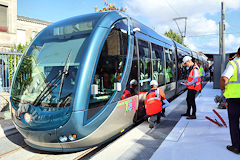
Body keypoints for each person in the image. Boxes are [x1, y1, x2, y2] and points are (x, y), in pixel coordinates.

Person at [220, 47, 240, 154]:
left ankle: (236, 147)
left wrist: (223, 89)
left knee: (234, 122)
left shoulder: (234, 64)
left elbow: (224, 79)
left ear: (237, 53)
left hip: (234, 98)